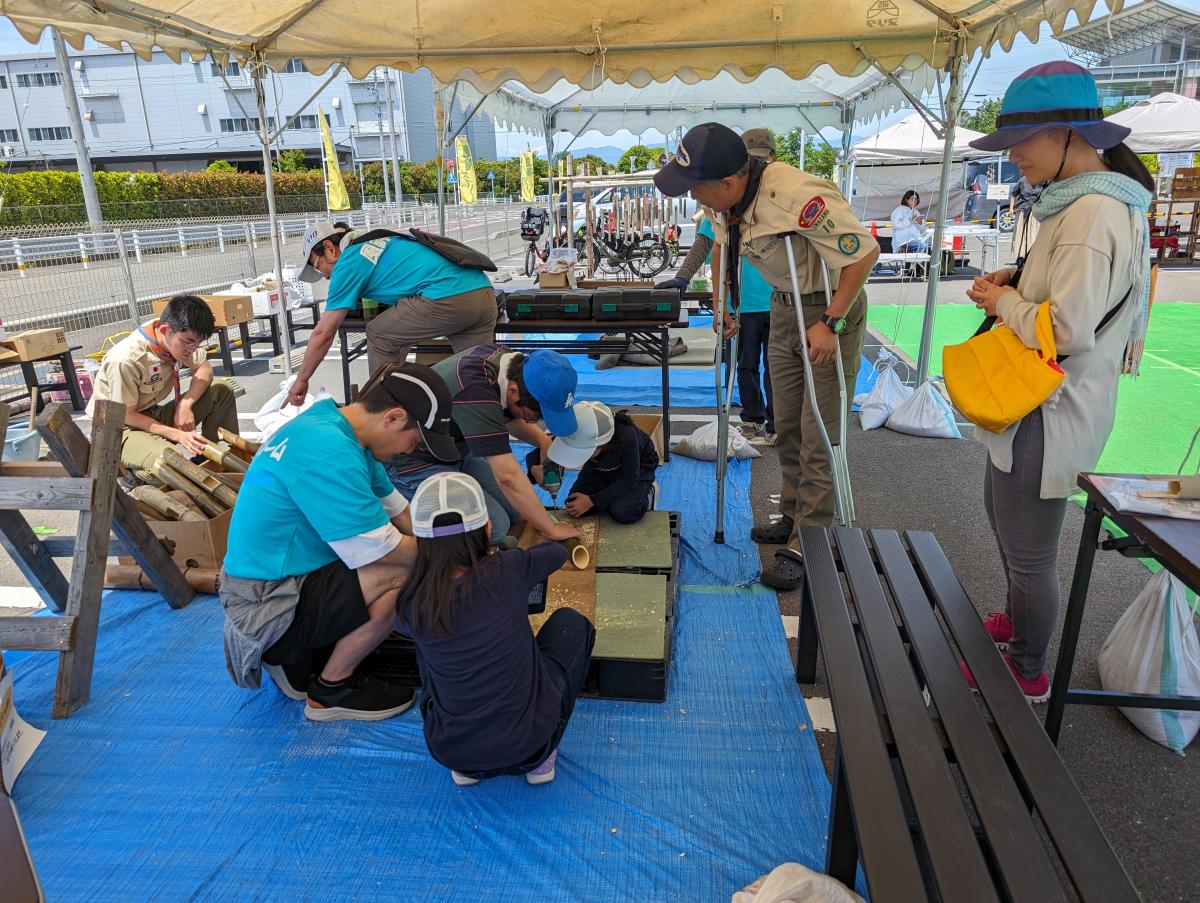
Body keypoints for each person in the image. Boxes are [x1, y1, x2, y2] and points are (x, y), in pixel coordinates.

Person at [963, 61, 1153, 701]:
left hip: (1049, 407)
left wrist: (1002, 306)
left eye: (1025, 139)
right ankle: (1019, 626)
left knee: (1029, 551)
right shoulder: (1090, 206)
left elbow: (1067, 330)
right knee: (1008, 522)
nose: (1014, 155)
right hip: (1045, 405)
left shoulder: (1090, 214)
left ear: (1072, 133)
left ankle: (1027, 667)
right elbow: (1070, 299)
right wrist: (1017, 286)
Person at [655, 122, 876, 590]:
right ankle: (794, 513)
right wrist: (725, 304)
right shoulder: (726, 202)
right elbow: (722, 247)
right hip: (782, 305)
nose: (695, 199)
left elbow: (862, 254)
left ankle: (811, 540)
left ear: (730, 183)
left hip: (828, 304)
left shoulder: (796, 195)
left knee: (819, 431)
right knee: (788, 423)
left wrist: (832, 322)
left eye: (698, 190)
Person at [220, 362, 459, 722]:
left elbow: (404, 515)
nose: (408, 452)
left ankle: (300, 659)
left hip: (282, 581)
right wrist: (463, 559)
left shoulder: (338, 431)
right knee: (404, 576)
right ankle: (331, 690)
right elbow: (391, 553)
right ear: (393, 418)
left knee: (417, 562)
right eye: (414, 442)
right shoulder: (330, 452)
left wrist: (451, 539)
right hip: (266, 603)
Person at [396, 471, 596, 787]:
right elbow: (557, 553)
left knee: (429, 648)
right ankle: (541, 763)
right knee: (571, 623)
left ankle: (469, 772)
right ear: (488, 528)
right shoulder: (508, 568)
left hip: (453, 752)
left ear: (418, 540)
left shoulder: (413, 602)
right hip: (531, 746)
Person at [386, 344, 581, 546]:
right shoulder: (475, 388)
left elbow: (509, 417)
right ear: (514, 391)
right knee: (494, 528)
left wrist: (543, 442)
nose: (538, 422)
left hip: (458, 449)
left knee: (517, 511)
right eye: (536, 417)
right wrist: (550, 530)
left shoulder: (514, 367)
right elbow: (507, 477)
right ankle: (399, 501)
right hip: (414, 462)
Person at [286, 222, 498, 405]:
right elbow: (400, 335)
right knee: (476, 381)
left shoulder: (349, 261)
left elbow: (324, 333)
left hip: (447, 296)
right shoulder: (379, 242)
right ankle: (487, 440)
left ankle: (382, 413)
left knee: (378, 334)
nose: (324, 276)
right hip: (483, 294)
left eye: (317, 266)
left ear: (329, 248)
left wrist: (302, 379)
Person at [657, 129, 777, 445]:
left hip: (781, 300)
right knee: (744, 364)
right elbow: (708, 242)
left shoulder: (779, 197)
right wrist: (686, 279)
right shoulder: (724, 201)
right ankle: (752, 418)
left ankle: (779, 423)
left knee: (778, 367)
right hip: (744, 300)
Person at [88, 294, 239, 483]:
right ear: (166, 330)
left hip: (150, 414)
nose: (191, 350)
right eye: (188, 342)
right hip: (117, 428)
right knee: (172, 462)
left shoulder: (175, 336)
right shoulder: (126, 359)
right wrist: (178, 435)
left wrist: (186, 404)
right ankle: (132, 475)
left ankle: (207, 458)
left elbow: (204, 368)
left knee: (221, 390)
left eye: (197, 343)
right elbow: (126, 414)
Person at [555, 402, 659, 524]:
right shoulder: (584, 434)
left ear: (602, 442)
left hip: (636, 471)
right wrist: (541, 465)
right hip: (601, 469)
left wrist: (592, 500)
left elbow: (629, 479)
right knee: (573, 504)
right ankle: (610, 493)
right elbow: (548, 446)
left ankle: (647, 493)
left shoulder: (627, 436)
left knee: (622, 512)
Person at [1008, 175, 1043, 264]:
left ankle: (1031, 256)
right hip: (1022, 211)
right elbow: (1013, 194)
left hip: (1035, 212)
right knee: (1020, 234)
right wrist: (1011, 209)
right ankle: (1020, 256)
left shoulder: (1043, 181)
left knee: (1033, 234)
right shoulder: (1023, 180)